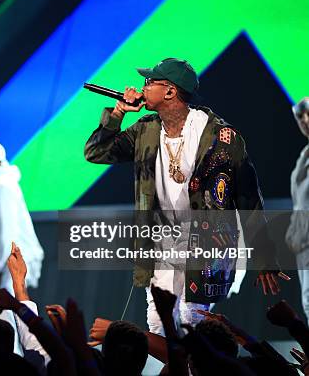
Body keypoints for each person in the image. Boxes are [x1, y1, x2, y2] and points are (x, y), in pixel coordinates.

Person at [84, 58, 285, 334]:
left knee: (193, 321)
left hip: (205, 241)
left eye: (149, 82)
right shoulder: (146, 130)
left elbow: (249, 198)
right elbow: (95, 152)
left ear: (169, 91)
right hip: (161, 240)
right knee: (158, 321)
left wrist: (264, 257)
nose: (142, 88)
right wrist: (118, 113)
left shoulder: (220, 137)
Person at [0, 139, 44, 353]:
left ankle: (11, 365)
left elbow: (9, 233)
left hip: (14, 261)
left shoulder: (3, 186)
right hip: (4, 262)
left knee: (4, 319)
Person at [286, 97, 309, 323]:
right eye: (300, 116)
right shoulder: (304, 156)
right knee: (308, 301)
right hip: (303, 244)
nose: (304, 120)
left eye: (307, 113)